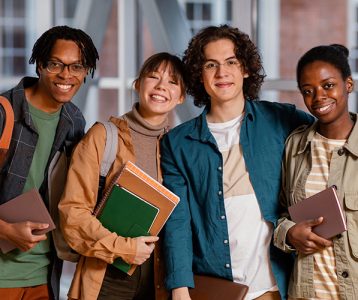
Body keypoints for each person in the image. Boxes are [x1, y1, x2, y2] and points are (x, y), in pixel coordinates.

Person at [160, 24, 314, 300]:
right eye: (211, 64)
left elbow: (331, 144)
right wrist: (179, 289)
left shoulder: (282, 120)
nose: (222, 73)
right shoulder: (177, 143)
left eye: (231, 61)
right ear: (199, 74)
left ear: (245, 68)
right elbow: (177, 222)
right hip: (217, 286)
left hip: (276, 284)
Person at [58, 52, 186, 300]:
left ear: (181, 97)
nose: (161, 86)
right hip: (105, 276)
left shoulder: (177, 146)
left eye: (173, 82)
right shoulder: (103, 137)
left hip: (160, 280)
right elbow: (72, 214)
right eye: (153, 77)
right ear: (138, 84)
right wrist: (124, 248)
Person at [0, 25, 99, 300]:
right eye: (56, 64)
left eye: (77, 67)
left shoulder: (75, 121)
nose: (66, 75)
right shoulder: (4, 113)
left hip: (45, 276)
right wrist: (6, 230)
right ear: (40, 65)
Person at [274, 44, 358, 299]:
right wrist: (288, 232)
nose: (318, 97)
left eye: (328, 85)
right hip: (305, 293)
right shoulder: (295, 146)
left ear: (349, 84)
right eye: (308, 91)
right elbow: (281, 211)